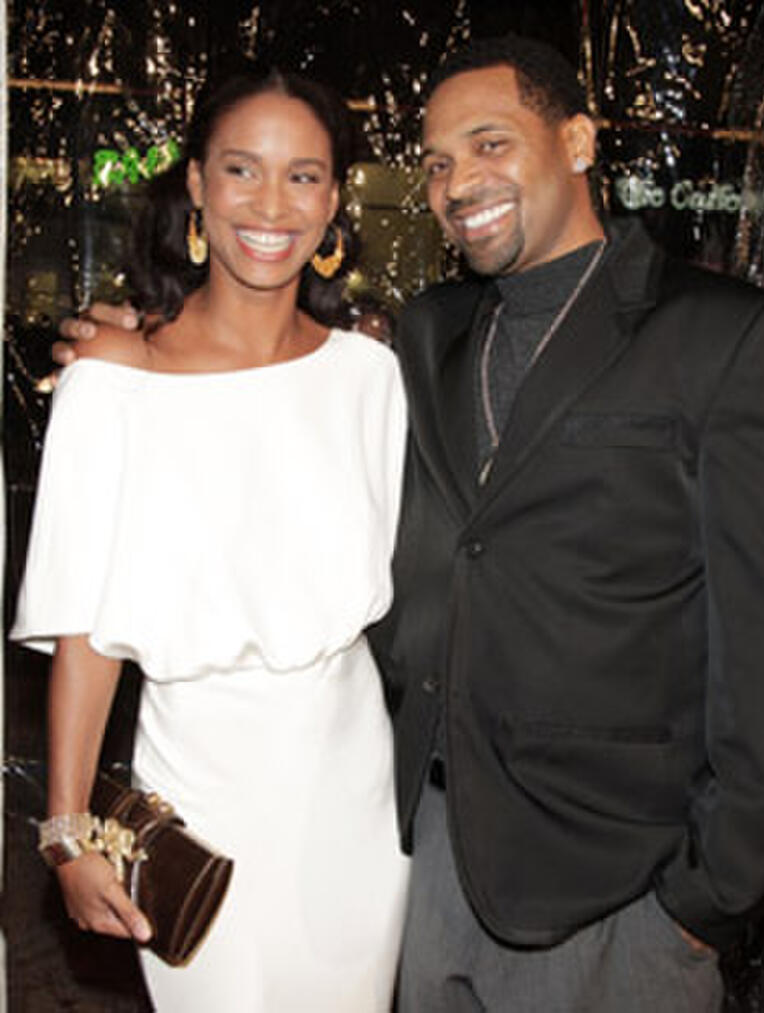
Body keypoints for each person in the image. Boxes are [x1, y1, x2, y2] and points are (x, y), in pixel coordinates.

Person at [54, 34, 764, 1013]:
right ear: (197, 187)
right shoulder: (426, 335)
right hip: (423, 853)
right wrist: (132, 345)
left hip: (617, 886)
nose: (460, 182)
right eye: (436, 162)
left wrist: (706, 898)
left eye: (490, 144)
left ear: (579, 140)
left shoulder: (726, 334)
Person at [13, 68, 408, 1012]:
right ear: (195, 183)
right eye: (242, 169)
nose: (271, 205)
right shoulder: (113, 379)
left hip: (354, 789)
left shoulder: (369, 375)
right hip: (198, 788)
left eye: (303, 176)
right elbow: (85, 630)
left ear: (335, 200)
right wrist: (66, 831)